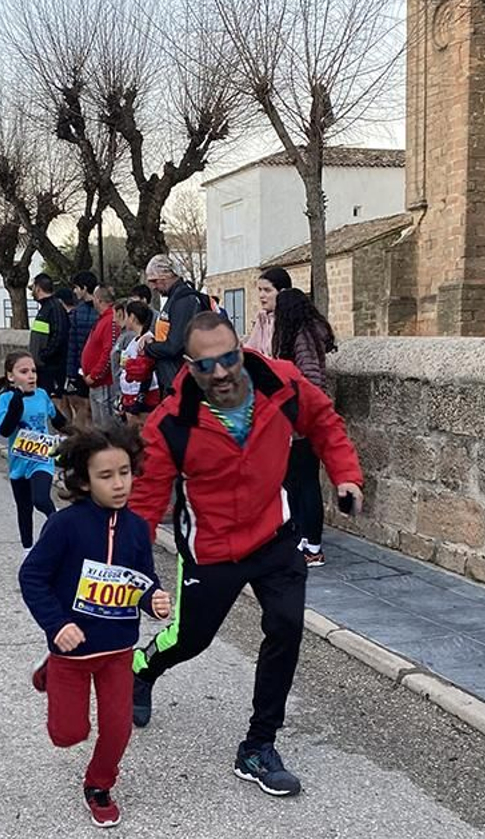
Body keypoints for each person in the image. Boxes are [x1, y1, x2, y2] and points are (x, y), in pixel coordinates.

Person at [130, 313, 365, 797]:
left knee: (286, 628)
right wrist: (134, 574)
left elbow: (324, 421)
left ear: (241, 349)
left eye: (229, 358)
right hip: (211, 548)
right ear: (188, 365)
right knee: (191, 640)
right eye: (206, 365)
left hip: (274, 536)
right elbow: (147, 503)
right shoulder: (170, 423)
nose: (220, 372)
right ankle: (143, 669)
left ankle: (258, 746)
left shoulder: (282, 383)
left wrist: (346, 475)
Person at [19, 426, 171, 827]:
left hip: (118, 651)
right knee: (67, 735)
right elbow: (32, 577)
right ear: (84, 481)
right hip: (71, 651)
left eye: (125, 472)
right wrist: (56, 625)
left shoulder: (137, 527)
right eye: (106, 476)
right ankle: (49, 671)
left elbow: (142, 580)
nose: (119, 484)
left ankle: (99, 786)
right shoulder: (65, 525)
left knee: (119, 729)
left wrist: (154, 600)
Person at [271, 287, 336, 567]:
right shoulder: (305, 334)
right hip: (298, 420)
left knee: (306, 482)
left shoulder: (302, 337)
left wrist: (298, 415)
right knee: (294, 481)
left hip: (303, 422)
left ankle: (313, 546)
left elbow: (310, 380)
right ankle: (301, 539)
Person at [0, 351, 66, 553]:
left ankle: (59, 525)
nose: (31, 376)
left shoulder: (42, 395)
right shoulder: (6, 399)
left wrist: (79, 436)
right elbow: (5, 431)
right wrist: (16, 404)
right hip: (18, 462)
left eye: (33, 371)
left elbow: (59, 421)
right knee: (24, 509)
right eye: (24, 372)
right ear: (11, 376)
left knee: (40, 499)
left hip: (43, 458)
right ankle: (27, 551)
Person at [142, 255, 207, 396]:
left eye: (154, 281)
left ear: (167, 275)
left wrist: (149, 348)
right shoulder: (174, 299)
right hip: (172, 378)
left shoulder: (184, 300)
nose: (153, 287)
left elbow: (174, 346)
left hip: (180, 382)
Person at [79, 285, 120, 430]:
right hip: (96, 382)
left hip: (103, 383)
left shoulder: (110, 321)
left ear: (99, 300)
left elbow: (109, 352)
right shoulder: (103, 319)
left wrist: (95, 374)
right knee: (98, 423)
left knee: (106, 425)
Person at [27, 273, 71, 407]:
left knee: (53, 404)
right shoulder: (46, 308)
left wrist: (44, 355)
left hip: (51, 368)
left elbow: (59, 335)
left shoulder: (53, 308)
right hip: (43, 367)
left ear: (38, 288)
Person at [116, 300, 161, 426]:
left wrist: (140, 399)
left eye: (125, 315)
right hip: (130, 395)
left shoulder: (146, 341)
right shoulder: (135, 340)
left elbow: (147, 371)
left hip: (142, 397)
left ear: (132, 317)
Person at [65, 271, 100, 428]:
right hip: (92, 368)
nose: (75, 291)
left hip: (84, 367)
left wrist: (71, 373)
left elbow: (72, 345)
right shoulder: (85, 312)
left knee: (84, 408)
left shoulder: (76, 313)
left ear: (84, 288)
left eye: (76, 287)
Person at [242, 267, 292, 357]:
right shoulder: (262, 318)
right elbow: (252, 348)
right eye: (260, 290)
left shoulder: (293, 318)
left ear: (282, 292)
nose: (261, 295)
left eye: (267, 290)